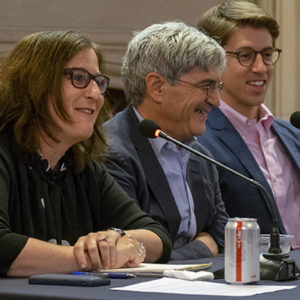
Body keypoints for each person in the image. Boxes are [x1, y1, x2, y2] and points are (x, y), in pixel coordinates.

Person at [0, 30, 172, 277]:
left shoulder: (82, 167)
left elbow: (158, 235)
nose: (95, 94)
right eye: (79, 78)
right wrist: (94, 257)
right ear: (35, 83)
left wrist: (122, 241)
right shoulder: (4, 155)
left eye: (98, 81)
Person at [104, 21, 229, 260]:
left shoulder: (200, 154)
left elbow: (221, 234)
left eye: (217, 86)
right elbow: (126, 250)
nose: (216, 100)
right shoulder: (111, 152)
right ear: (157, 86)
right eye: (206, 86)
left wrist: (206, 243)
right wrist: (202, 247)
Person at [197, 1, 300, 249]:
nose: (260, 68)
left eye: (267, 54)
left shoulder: (291, 133)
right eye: (245, 56)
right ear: (213, 61)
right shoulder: (198, 139)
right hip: (253, 279)